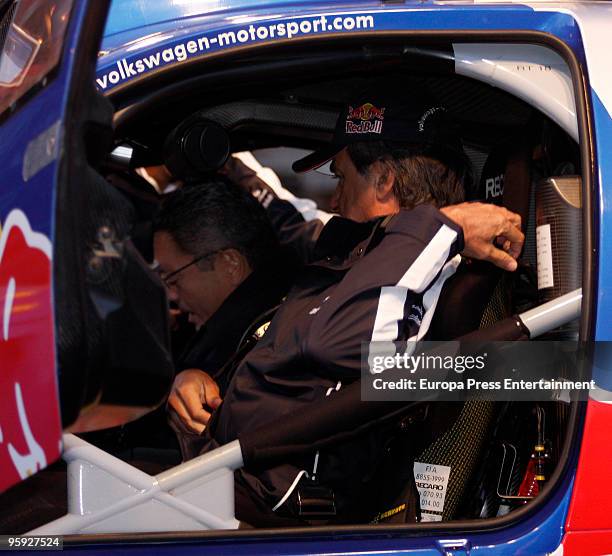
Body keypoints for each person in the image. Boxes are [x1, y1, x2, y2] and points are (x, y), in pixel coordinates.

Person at [167, 89, 524, 525]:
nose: (334, 200)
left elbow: (339, 345)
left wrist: (437, 227)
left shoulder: (432, 270)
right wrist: (200, 379)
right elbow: (280, 357)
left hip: (278, 515)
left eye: (340, 178)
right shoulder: (354, 255)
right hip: (223, 479)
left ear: (385, 180)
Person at [154, 182, 297, 454]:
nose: (171, 294)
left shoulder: (284, 336)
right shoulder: (302, 299)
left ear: (230, 264)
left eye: (173, 277)